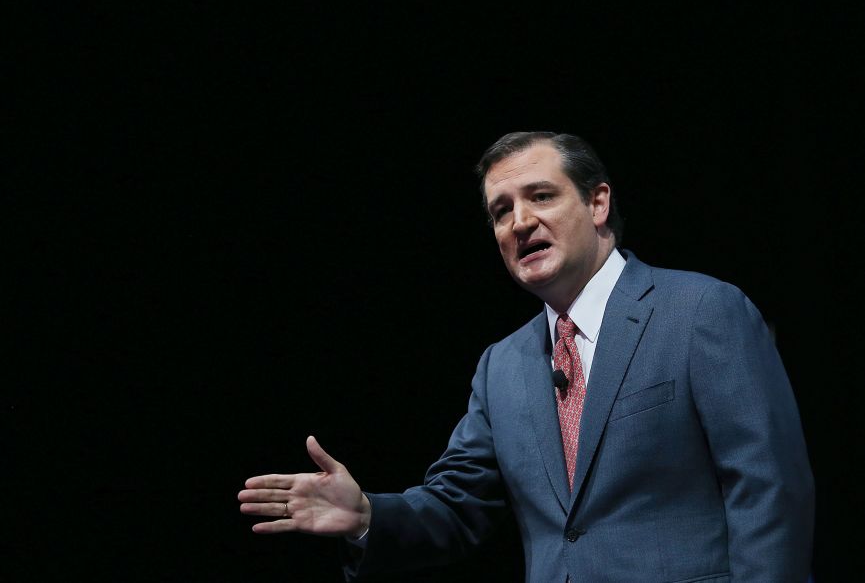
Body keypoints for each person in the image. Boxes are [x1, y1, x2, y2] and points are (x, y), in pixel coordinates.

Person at [238, 131, 815, 582]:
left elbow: (769, 489)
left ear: (597, 202)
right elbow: (457, 506)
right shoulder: (503, 368)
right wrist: (367, 516)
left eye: (541, 196)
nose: (519, 222)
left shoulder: (700, 310)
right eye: (500, 210)